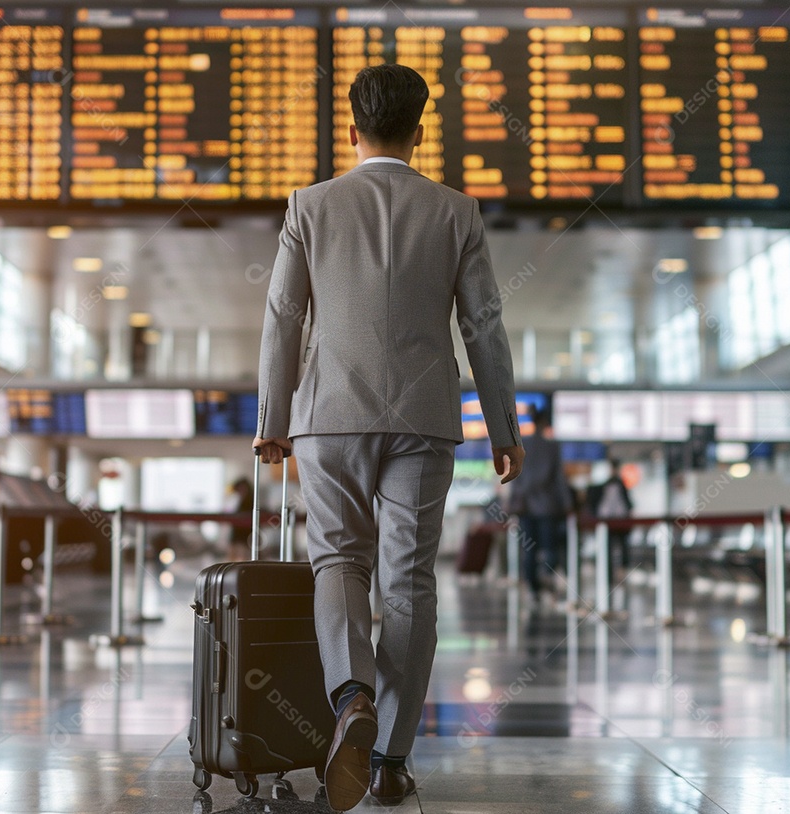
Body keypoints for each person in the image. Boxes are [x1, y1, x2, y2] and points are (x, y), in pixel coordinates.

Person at [253, 64, 525, 811]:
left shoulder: (309, 206)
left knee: (338, 557)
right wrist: (504, 425)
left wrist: (272, 421)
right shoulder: (456, 212)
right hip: (424, 418)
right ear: (419, 132)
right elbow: (484, 326)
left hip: (329, 414)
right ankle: (392, 761)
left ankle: (351, 698)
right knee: (408, 580)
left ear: (351, 130)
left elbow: (282, 316)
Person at [507, 407, 572, 601]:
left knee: (529, 548)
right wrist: (567, 502)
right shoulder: (551, 447)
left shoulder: (523, 444)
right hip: (547, 507)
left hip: (526, 507)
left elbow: (516, 478)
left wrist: (513, 501)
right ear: (545, 423)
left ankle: (533, 588)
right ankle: (547, 578)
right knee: (549, 547)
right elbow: (559, 479)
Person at [591, 459, 633, 581]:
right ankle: (609, 574)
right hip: (610, 522)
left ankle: (620, 572)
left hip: (618, 521)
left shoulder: (619, 485)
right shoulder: (608, 485)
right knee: (608, 548)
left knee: (620, 547)